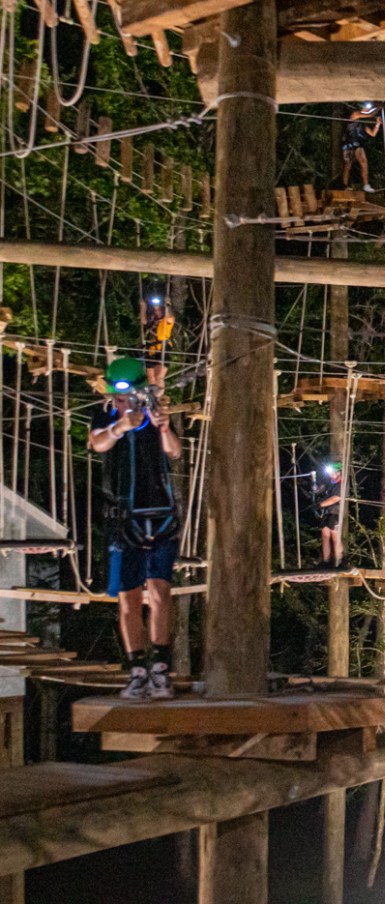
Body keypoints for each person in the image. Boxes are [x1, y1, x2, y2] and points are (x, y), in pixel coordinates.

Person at [89, 357, 182, 700]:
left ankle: (160, 668)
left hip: (160, 515)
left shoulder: (155, 415)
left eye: (125, 396)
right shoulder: (106, 417)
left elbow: (174, 452)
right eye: (116, 396)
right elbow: (97, 442)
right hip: (123, 519)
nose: (120, 402)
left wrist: (163, 428)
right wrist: (120, 426)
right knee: (128, 599)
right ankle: (137, 669)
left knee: (159, 592)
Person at [139, 289, 175, 391]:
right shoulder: (151, 321)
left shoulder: (167, 321)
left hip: (163, 349)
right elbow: (143, 320)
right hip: (150, 351)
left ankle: (159, 397)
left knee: (158, 376)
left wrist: (167, 305)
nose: (157, 313)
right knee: (151, 377)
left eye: (159, 311)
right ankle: (152, 398)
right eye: (156, 311)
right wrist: (143, 306)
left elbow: (170, 316)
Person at [341, 102, 381, 192]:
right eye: (366, 108)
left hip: (358, 144)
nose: (367, 110)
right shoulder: (355, 114)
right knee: (348, 165)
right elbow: (370, 114)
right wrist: (378, 107)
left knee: (364, 162)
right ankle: (345, 186)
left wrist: (378, 124)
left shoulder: (363, 124)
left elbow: (373, 133)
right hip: (348, 144)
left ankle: (366, 185)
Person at [311, 461, 344, 569]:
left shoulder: (341, 484)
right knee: (325, 535)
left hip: (335, 512)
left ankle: (339, 560)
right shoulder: (330, 483)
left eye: (332, 473)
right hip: (325, 512)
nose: (330, 475)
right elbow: (319, 490)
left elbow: (336, 498)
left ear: (338, 472)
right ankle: (326, 561)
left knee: (335, 536)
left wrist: (320, 505)